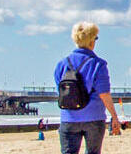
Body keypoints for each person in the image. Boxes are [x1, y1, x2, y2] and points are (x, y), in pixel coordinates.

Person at [52, 22, 122, 154]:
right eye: (95, 38)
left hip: (69, 117)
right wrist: (114, 116)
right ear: (91, 41)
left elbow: (60, 90)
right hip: (94, 118)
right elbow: (104, 94)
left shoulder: (62, 64)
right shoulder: (98, 64)